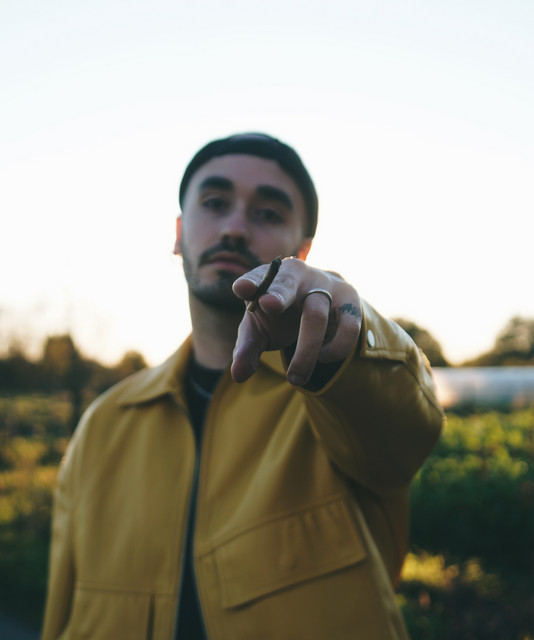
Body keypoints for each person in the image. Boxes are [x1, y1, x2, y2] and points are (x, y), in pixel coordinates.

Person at [42, 133, 444, 640]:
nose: (234, 227)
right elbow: (60, 614)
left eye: (269, 213)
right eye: (215, 203)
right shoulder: (103, 425)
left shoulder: (341, 393)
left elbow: (406, 430)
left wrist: (340, 345)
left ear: (302, 253)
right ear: (179, 233)